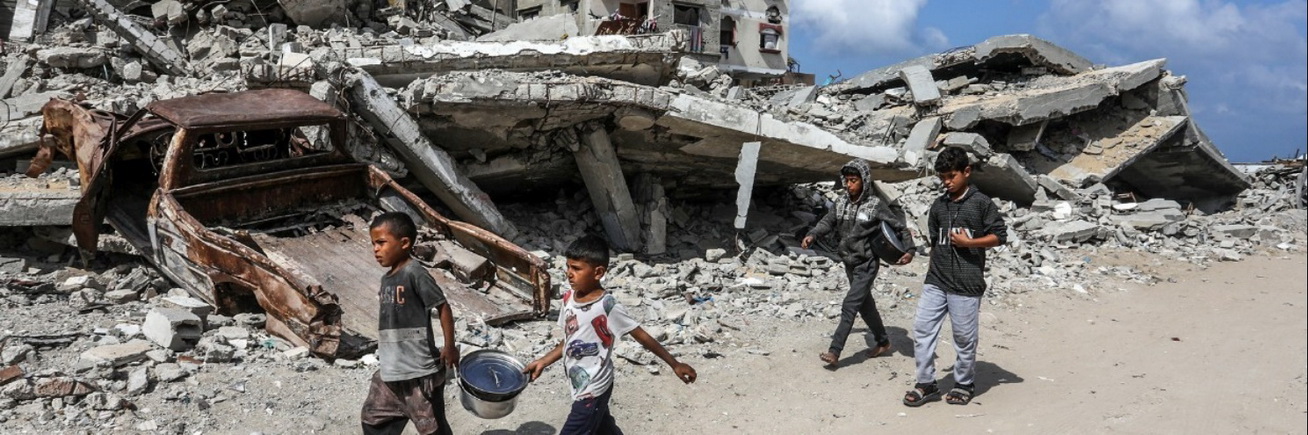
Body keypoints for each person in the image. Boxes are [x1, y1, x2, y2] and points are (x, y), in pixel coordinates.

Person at [523, 235, 697, 434]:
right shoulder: (569, 298)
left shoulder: (607, 306)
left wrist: (675, 364)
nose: (569, 273)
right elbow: (571, 340)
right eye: (568, 267)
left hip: (594, 388)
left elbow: (640, 335)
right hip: (580, 383)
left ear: (598, 272)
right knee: (603, 427)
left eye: (577, 269)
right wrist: (543, 361)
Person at [902, 147, 1008, 407]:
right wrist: (931, 269)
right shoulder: (939, 206)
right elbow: (935, 241)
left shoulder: (981, 203)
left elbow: (999, 235)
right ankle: (926, 383)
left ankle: (963, 383)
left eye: (951, 176)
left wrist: (970, 242)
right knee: (923, 330)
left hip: (966, 283)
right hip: (936, 281)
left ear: (966, 171)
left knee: (963, 338)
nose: (947, 182)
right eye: (942, 177)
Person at [802, 158, 915, 366]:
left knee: (850, 304)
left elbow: (899, 227)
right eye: (847, 180)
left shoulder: (875, 206)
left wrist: (910, 250)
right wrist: (813, 235)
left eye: (854, 180)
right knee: (865, 305)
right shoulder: (841, 202)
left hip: (867, 264)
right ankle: (883, 341)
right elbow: (828, 221)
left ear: (864, 181)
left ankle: (834, 351)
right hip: (849, 261)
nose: (849, 185)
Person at [360, 212, 459, 435]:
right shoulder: (386, 279)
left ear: (404, 243)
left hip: (419, 372)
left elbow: (442, 307)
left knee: (433, 428)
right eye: (373, 244)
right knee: (374, 421)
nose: (376, 249)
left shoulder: (415, 273)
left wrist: (450, 347)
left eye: (381, 243)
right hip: (391, 371)